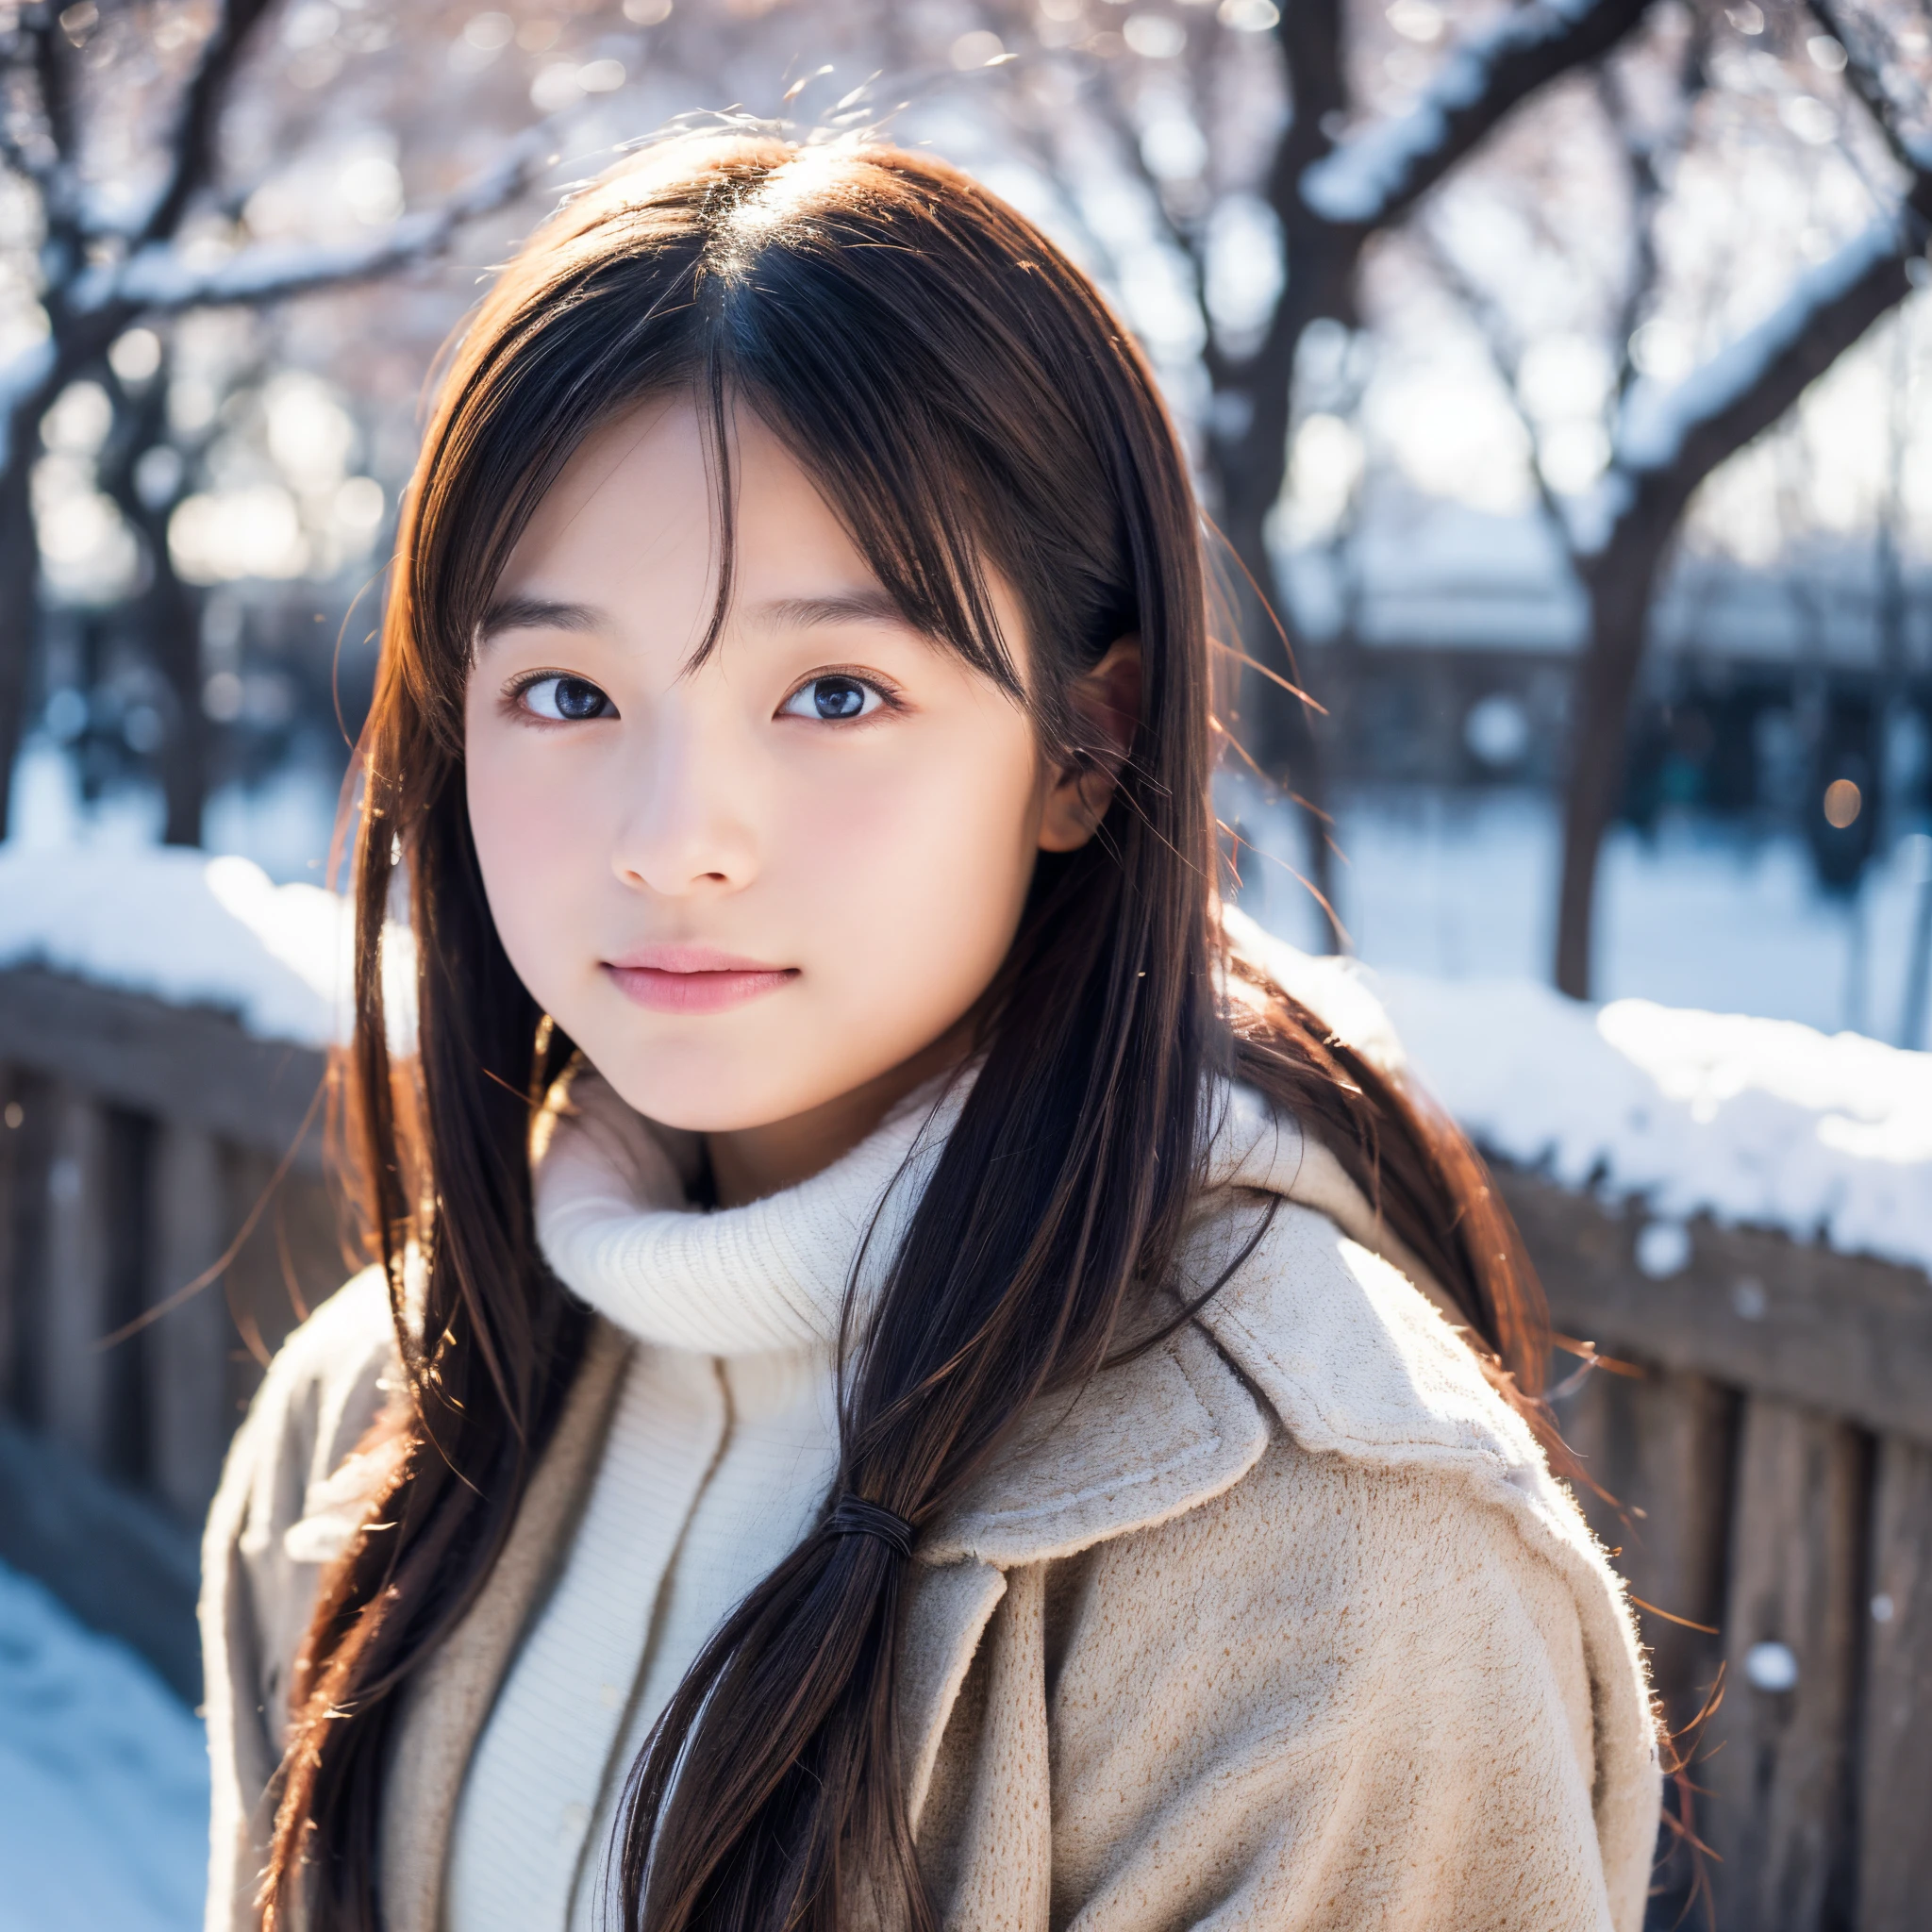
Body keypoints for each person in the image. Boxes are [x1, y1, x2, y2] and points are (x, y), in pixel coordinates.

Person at [201, 133, 1657, 1932]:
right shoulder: (379, 1414)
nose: (675, 832)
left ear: (1084, 743)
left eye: (835, 692)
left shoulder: (1324, 1568)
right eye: (564, 690)